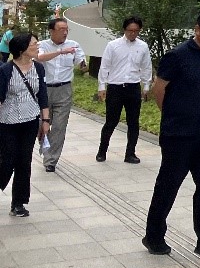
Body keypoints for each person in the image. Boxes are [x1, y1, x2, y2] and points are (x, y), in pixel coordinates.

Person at [143, 7, 200, 258]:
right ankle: (154, 236)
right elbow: (159, 90)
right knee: (168, 186)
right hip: (179, 135)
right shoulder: (177, 56)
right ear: (198, 30)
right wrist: (173, 115)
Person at [0, 34, 51, 217]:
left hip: (30, 121)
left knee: (24, 162)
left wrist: (45, 121)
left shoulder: (38, 68)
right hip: (7, 122)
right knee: (7, 160)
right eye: (34, 44)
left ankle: (19, 202)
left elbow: (42, 95)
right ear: (22, 49)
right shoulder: (5, 70)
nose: (37, 47)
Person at [97, 15, 152, 163]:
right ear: (124, 30)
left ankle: (130, 153)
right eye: (130, 30)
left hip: (133, 87)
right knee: (111, 121)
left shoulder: (143, 46)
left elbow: (146, 67)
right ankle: (102, 151)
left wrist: (146, 86)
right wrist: (102, 86)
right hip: (115, 87)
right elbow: (105, 67)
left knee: (133, 122)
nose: (132, 33)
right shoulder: (113, 45)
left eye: (136, 31)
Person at [35, 16, 86, 172]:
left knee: (59, 126)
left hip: (64, 90)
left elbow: (81, 62)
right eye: (61, 29)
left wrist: (84, 65)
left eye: (66, 30)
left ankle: (50, 160)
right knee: (42, 125)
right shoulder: (42, 45)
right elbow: (39, 57)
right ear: (51, 31)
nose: (65, 33)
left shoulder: (73, 45)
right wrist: (60, 52)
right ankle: (44, 146)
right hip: (43, 89)